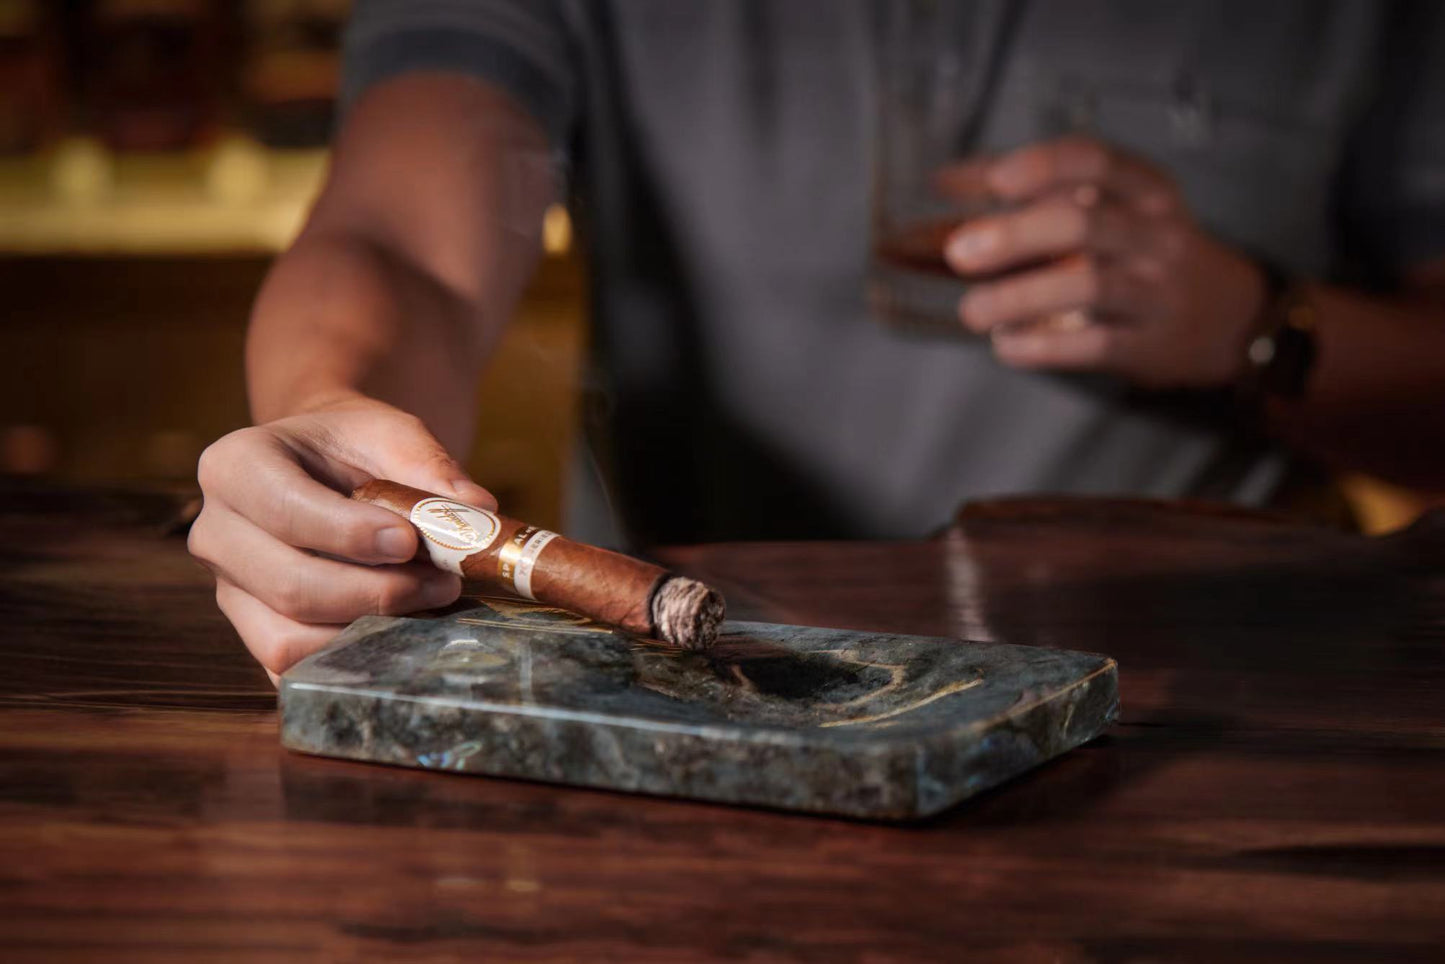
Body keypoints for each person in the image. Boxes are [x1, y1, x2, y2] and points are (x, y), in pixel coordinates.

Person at [188, 1, 1445, 679]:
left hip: (1231, 725)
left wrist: (1259, 328)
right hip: (694, 704)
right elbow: (404, 244)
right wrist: (324, 419)